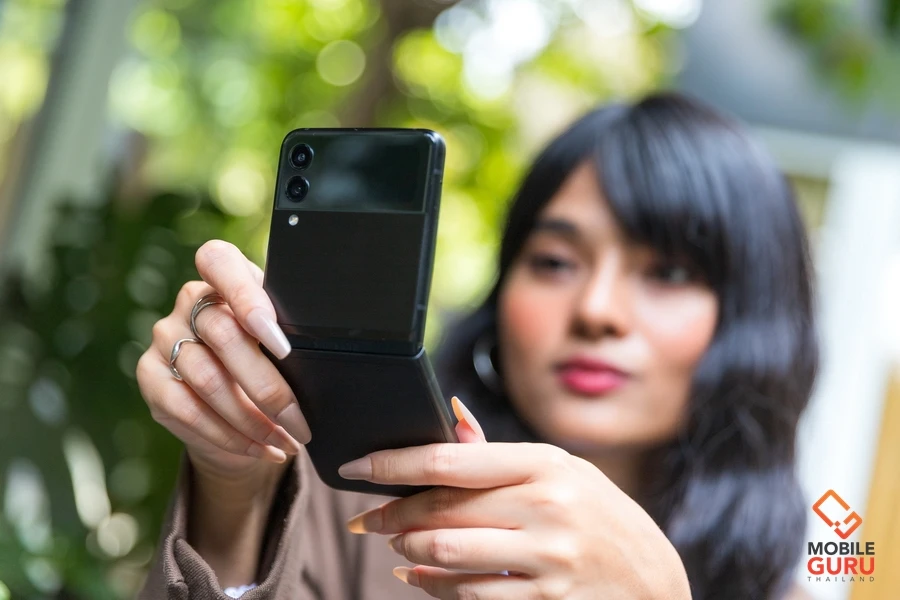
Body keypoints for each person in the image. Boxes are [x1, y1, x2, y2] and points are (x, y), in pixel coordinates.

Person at [136, 92, 818, 599]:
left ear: (753, 321)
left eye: (667, 273)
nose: (596, 310)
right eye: (555, 261)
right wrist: (232, 486)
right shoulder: (365, 518)